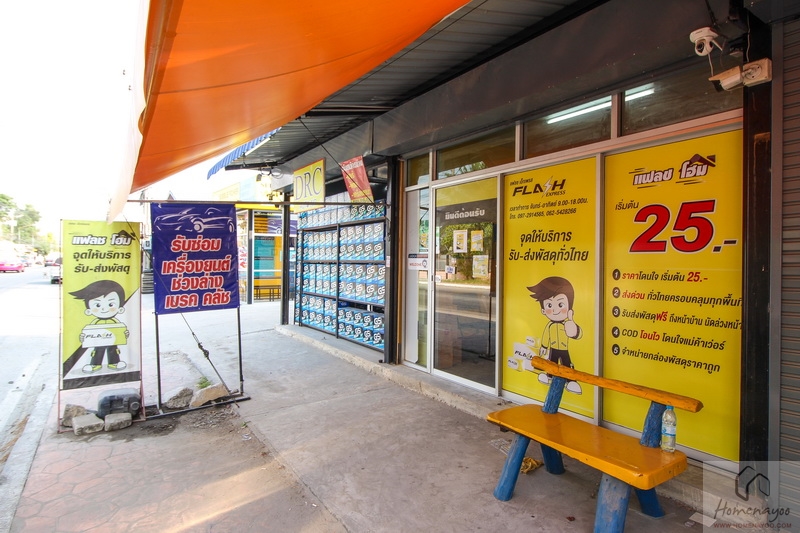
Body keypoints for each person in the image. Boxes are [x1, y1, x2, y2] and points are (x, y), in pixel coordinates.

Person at [527, 276, 583, 394]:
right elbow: (546, 336)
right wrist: (544, 346)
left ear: (569, 308)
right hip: (553, 348)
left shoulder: (567, 324)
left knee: (566, 364)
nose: (555, 310)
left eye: (560, 305)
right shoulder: (550, 325)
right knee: (551, 363)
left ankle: (571, 380)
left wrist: (574, 330)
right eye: (549, 306)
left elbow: (577, 334)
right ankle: (549, 376)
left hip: (564, 349)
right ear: (543, 310)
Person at [69, 280, 130, 373]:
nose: (104, 308)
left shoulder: (115, 322)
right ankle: (95, 364)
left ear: (120, 308)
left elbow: (121, 330)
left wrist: (125, 334)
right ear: (88, 311)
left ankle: (114, 363)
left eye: (111, 304)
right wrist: (83, 337)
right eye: (97, 305)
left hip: (113, 339)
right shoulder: (95, 322)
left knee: (113, 349)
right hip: (98, 340)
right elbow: (88, 332)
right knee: (98, 350)